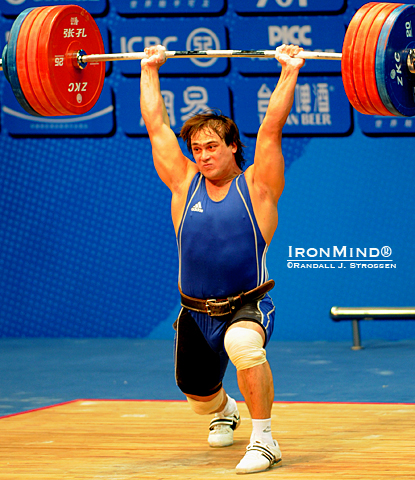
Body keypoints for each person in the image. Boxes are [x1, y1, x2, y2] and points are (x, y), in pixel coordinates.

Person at [140, 43, 305, 474]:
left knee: (242, 345)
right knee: (197, 397)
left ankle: (265, 440)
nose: (203, 155)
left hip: (247, 304)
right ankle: (224, 408)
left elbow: (271, 128)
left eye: (212, 146)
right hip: (195, 312)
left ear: (233, 146)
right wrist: (148, 69)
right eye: (196, 148)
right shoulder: (183, 186)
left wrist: (289, 70)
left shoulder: (259, 188)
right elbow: (156, 126)